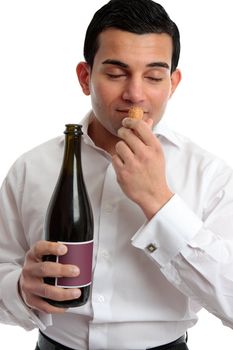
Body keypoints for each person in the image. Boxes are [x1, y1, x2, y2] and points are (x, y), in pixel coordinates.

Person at [0, 0, 233, 349]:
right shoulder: (31, 168)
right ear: (85, 77)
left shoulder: (210, 174)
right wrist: (19, 288)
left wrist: (158, 201)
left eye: (154, 77)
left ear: (173, 83)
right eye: (115, 73)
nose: (135, 94)